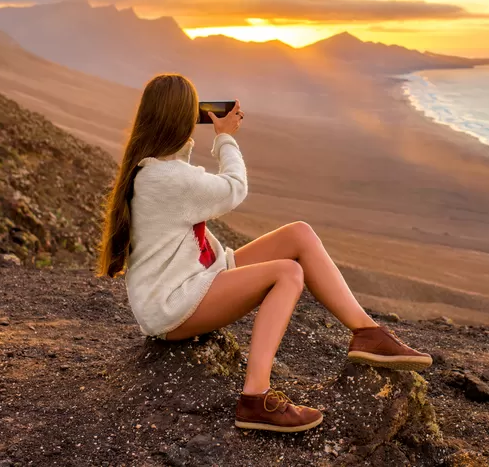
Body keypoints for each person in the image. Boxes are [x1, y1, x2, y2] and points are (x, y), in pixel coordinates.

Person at [97, 74, 431, 433]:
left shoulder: (154, 169)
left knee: (298, 234)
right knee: (287, 273)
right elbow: (234, 189)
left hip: (196, 280)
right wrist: (225, 138)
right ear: (180, 119)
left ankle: (366, 333)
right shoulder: (166, 179)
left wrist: (189, 139)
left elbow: (186, 175)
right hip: (173, 305)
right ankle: (255, 397)